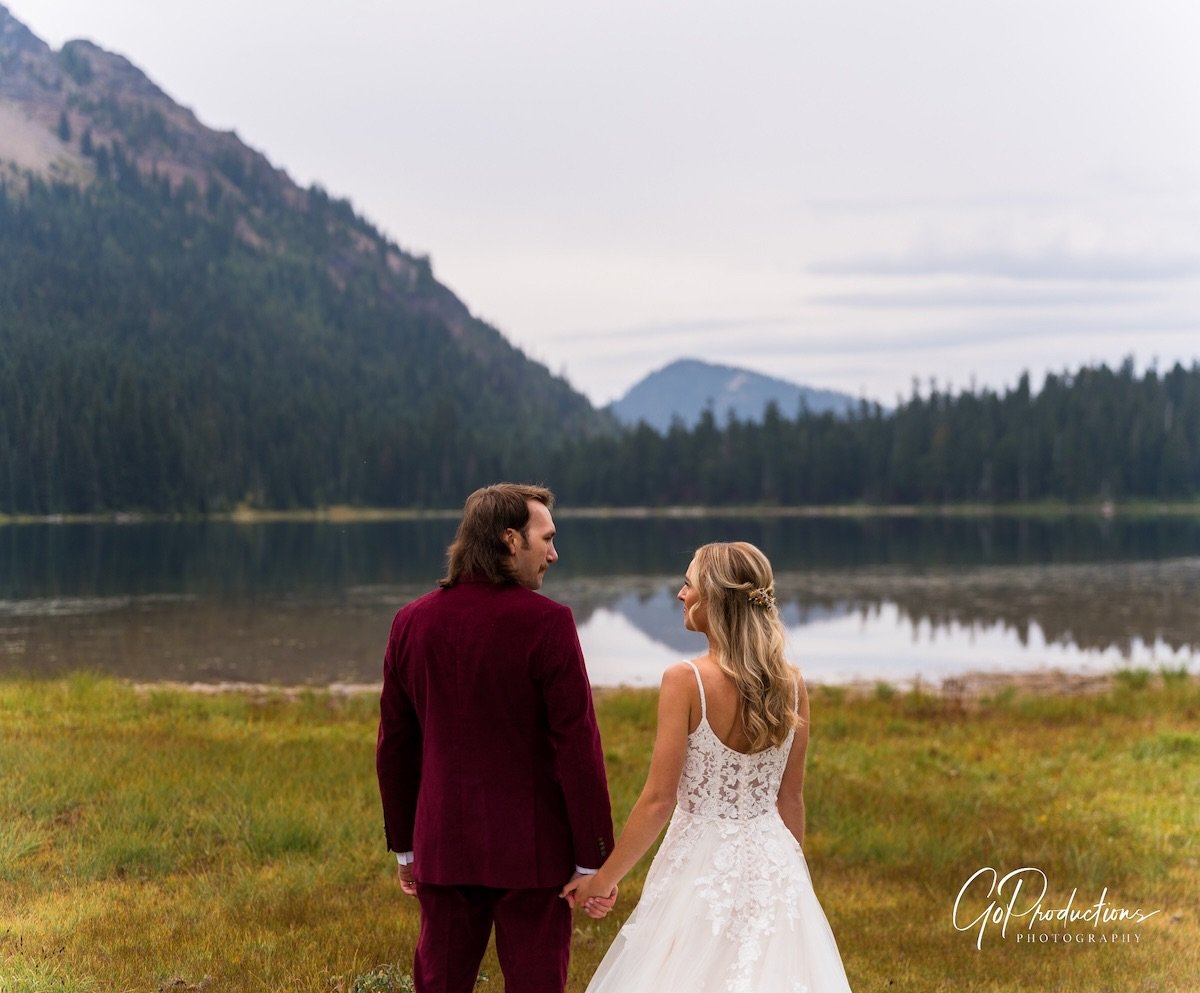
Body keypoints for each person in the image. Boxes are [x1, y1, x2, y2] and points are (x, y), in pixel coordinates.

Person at [563, 541, 854, 993]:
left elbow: (658, 801)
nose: (680, 594)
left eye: (688, 584)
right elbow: (790, 799)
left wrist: (603, 880)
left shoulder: (685, 680)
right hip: (774, 861)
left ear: (715, 597)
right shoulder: (793, 683)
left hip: (698, 863)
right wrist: (789, 878)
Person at [376, 483, 615, 993]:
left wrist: (407, 848)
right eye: (546, 539)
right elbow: (578, 749)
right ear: (511, 539)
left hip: (441, 846)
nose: (554, 553)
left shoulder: (410, 622)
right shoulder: (549, 623)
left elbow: (395, 748)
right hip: (533, 855)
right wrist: (594, 859)